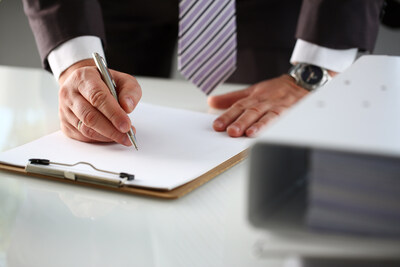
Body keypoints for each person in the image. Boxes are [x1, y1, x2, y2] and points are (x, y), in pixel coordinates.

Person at [22, 0, 384, 146]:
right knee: (101, 125)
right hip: (113, 8)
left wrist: (313, 71)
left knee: (263, 148)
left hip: (278, 11)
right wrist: (76, 61)